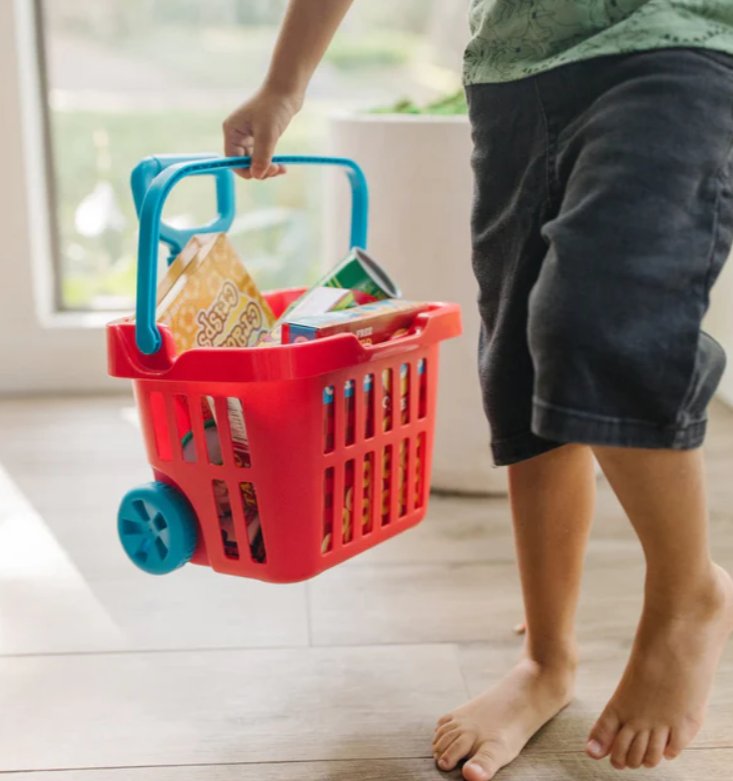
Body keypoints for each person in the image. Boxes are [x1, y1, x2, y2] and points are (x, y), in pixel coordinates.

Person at [223, 1, 733, 778]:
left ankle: (685, 591)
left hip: (680, 44)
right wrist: (284, 85)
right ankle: (546, 660)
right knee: (519, 370)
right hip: (514, 69)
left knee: (597, 319)